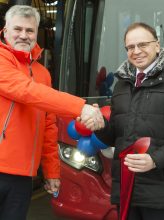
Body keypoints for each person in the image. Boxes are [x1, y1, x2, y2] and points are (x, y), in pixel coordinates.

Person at [0, 5, 104, 220]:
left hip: (22, 175)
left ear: (37, 32)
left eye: (30, 30)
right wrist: (80, 107)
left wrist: (52, 172)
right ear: (5, 29)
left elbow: (48, 127)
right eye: (17, 29)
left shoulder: (42, 74)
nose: (23, 35)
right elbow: (25, 90)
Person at [94, 22, 164, 220]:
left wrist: (154, 160)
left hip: (161, 195)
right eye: (130, 47)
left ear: (157, 45)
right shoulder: (121, 86)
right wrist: (100, 125)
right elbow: (117, 137)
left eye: (143, 44)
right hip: (125, 190)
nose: (137, 51)